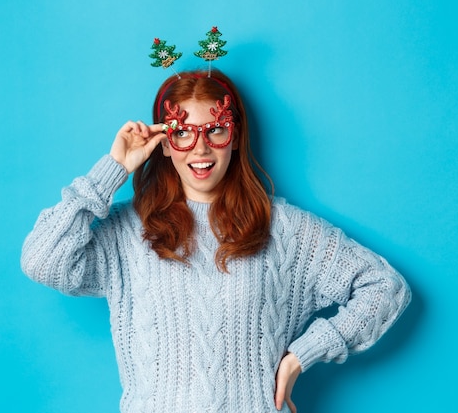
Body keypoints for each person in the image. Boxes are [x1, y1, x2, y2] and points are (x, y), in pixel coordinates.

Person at [21, 69, 411, 413]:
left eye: (215, 129)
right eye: (182, 133)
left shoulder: (287, 229)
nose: (201, 148)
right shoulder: (128, 231)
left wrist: (299, 356)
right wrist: (114, 169)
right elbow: (42, 260)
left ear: (235, 135)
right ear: (164, 141)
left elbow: (385, 287)